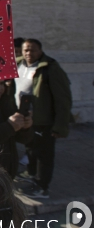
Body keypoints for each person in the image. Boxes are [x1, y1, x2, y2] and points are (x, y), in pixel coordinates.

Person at [12, 38, 72, 199]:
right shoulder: (18, 63)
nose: (28, 53)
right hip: (24, 117)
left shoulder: (50, 68)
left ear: (40, 51)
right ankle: (31, 173)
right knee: (30, 148)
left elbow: (63, 99)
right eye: (26, 50)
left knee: (44, 155)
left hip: (43, 120)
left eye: (32, 50)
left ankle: (42, 187)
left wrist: (60, 126)